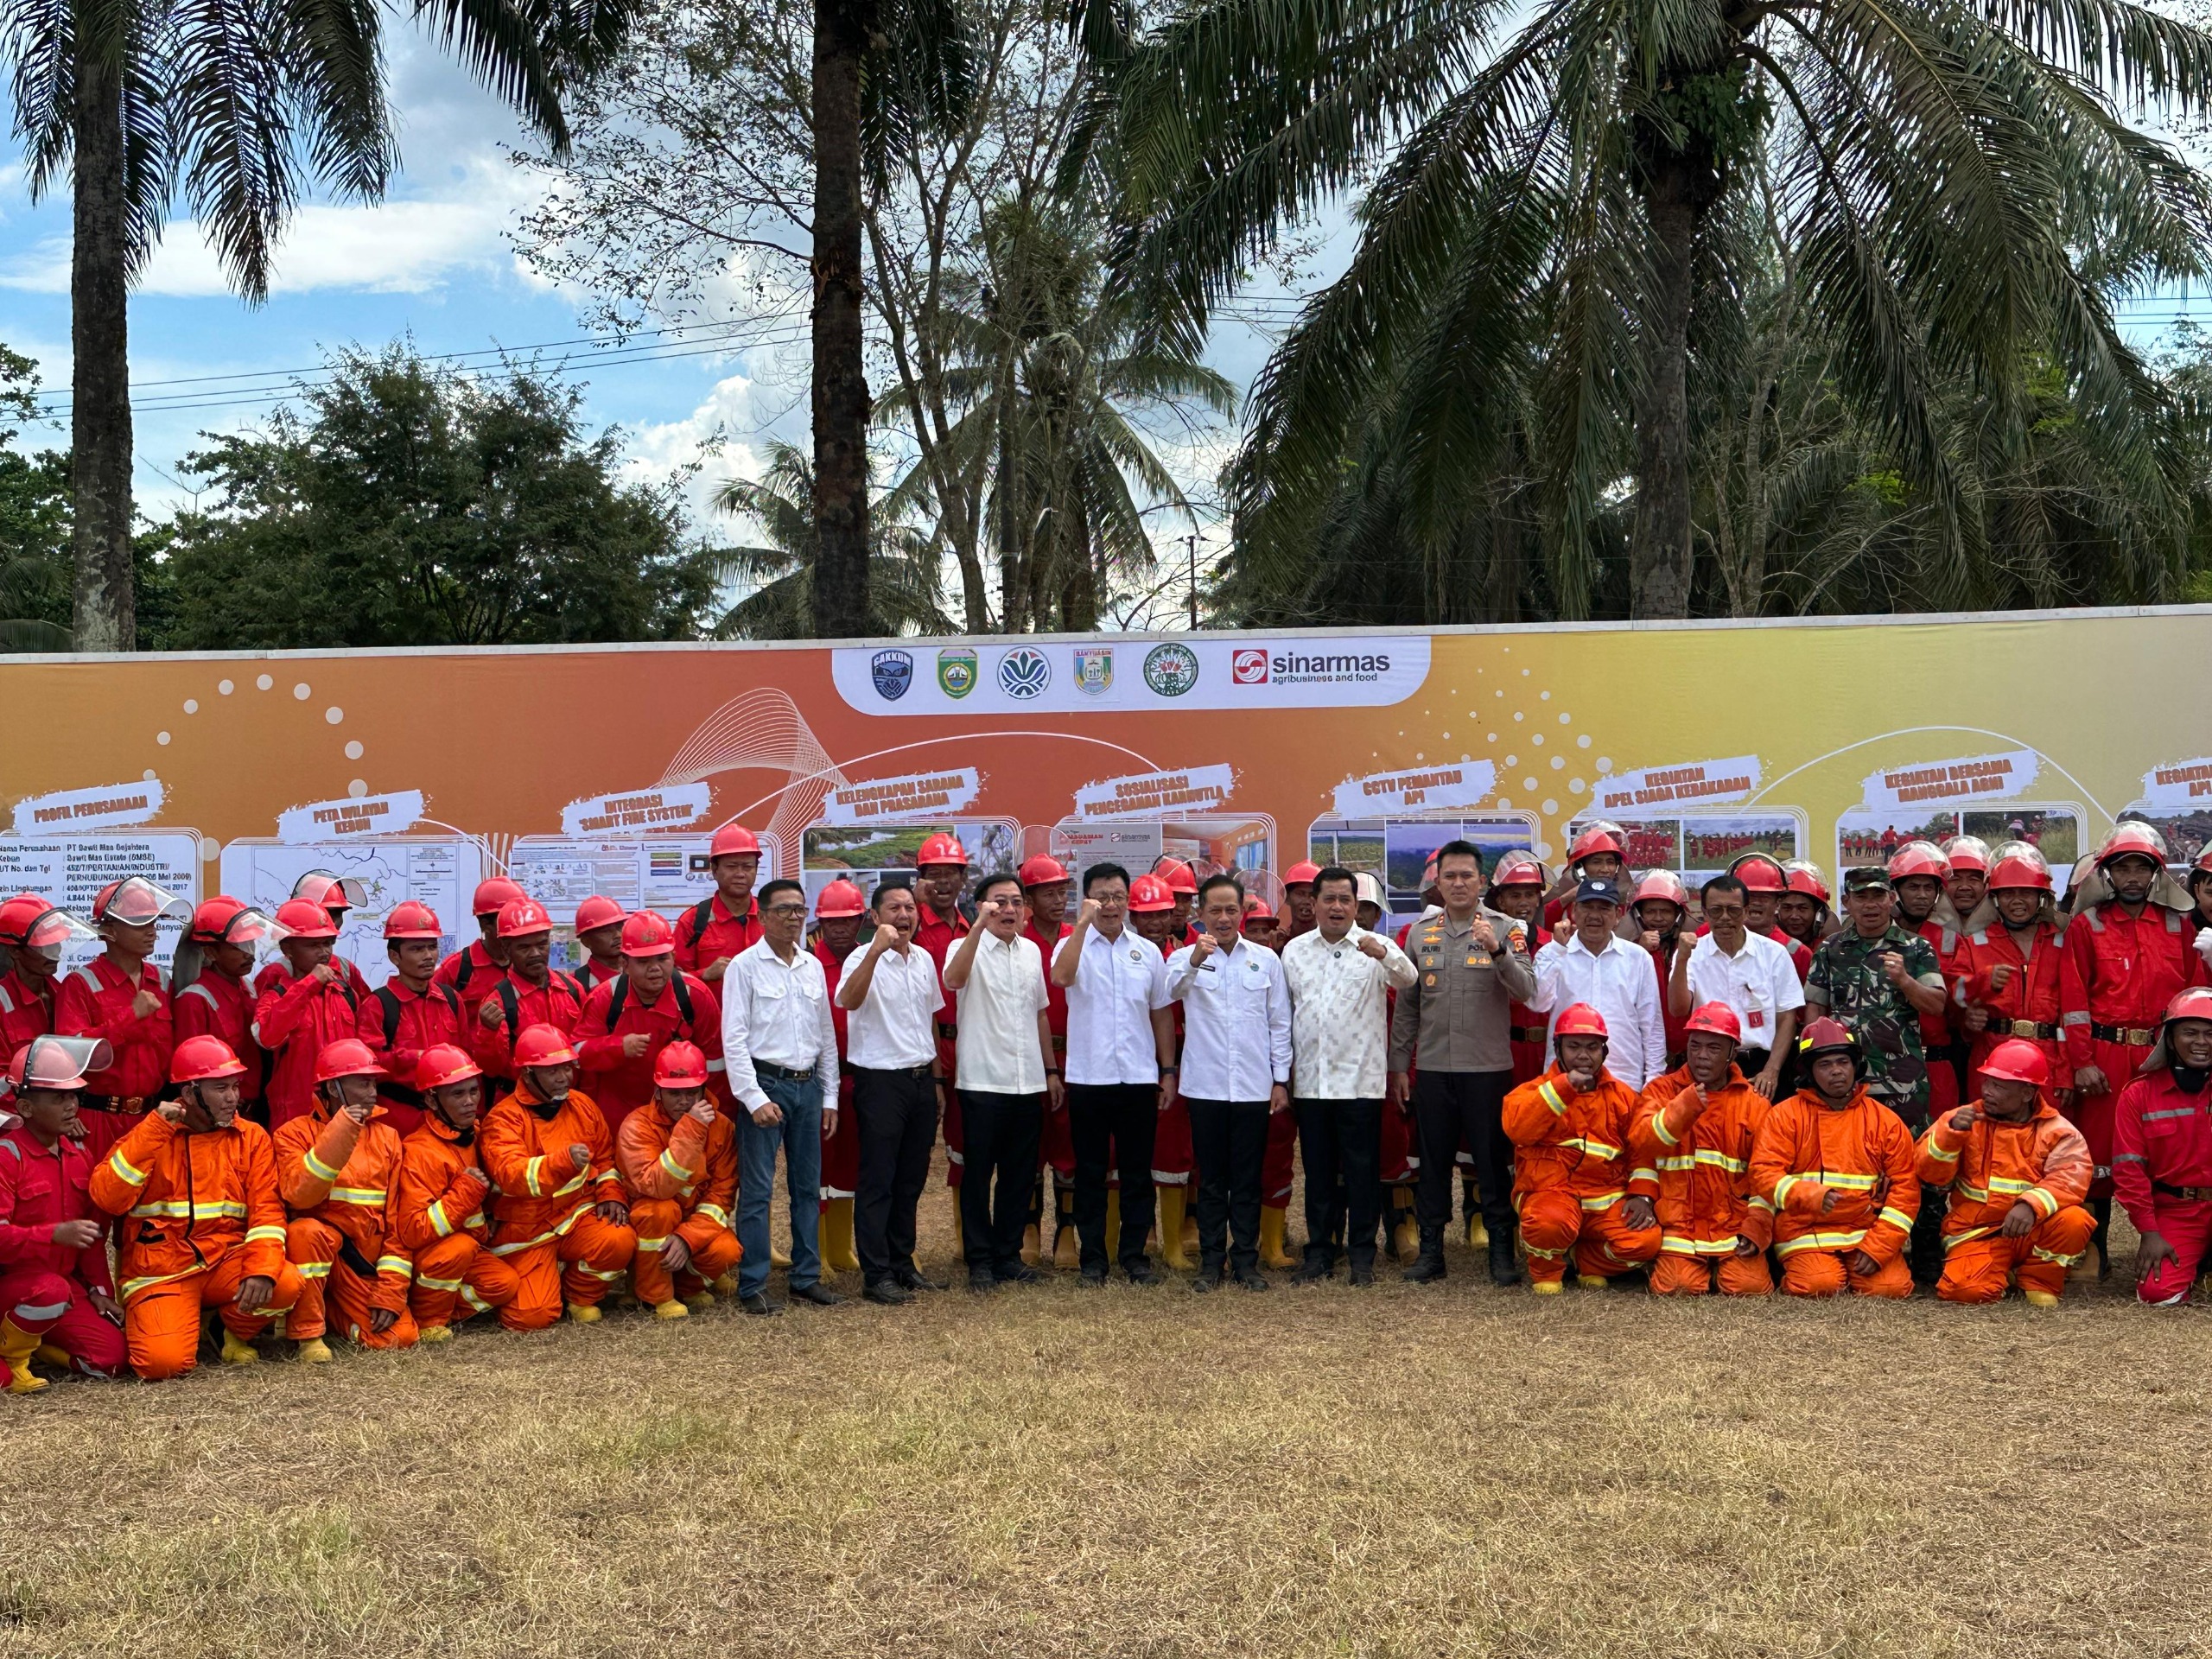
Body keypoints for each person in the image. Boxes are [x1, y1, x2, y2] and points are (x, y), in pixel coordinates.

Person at [88, 1035, 303, 1378]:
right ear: (189, 1093)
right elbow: (107, 1198)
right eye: (221, 1088)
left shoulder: (252, 1137)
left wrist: (261, 1270)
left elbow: (267, 1213)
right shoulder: (151, 1134)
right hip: (162, 1269)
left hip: (225, 1260)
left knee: (286, 1282)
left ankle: (224, 1327)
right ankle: (188, 1321)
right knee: (161, 1364)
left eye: (235, 1086)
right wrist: (155, 1129)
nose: (233, 1097)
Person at [1389, 840, 1539, 1284]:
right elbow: (1408, 1007)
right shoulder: (1420, 933)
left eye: (1466, 876)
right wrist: (1399, 1065)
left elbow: (1527, 990)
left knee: (1491, 1162)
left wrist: (1497, 951)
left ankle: (1500, 1254)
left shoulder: (1506, 929)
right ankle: (1431, 1253)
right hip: (1434, 1068)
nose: (1458, 883)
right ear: (1437, 882)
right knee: (1432, 1162)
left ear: (1482, 882)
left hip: (1487, 1069)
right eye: (1449, 876)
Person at [2062, 821, 2205, 1276]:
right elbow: (2074, 1001)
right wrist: (2082, 1063)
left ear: (2156, 874)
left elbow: (2195, 996)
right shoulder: (2087, 925)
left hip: (2163, 1055)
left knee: (2172, 1150)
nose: (2132, 877)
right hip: (2106, 1055)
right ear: (2107, 874)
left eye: (2141, 868)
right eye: (2122, 868)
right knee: (2097, 1156)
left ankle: (2180, 1245)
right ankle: (2092, 1252)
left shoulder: (2179, 925)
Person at [1804, 864, 1948, 1281]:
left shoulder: (1916, 948)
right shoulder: (1830, 950)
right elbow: (1815, 1011)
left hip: (1903, 1079)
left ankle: (1926, 1250)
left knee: (1917, 1164)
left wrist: (1904, 980)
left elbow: (1937, 1005)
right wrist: (1814, 1061)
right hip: (1845, 1080)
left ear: (1891, 900)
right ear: (1846, 903)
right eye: (1861, 897)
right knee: (1849, 1162)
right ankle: (1856, 1243)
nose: (1870, 905)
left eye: (1878, 896)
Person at [1282, 866, 1415, 1285]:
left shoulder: (1375, 945)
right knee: (1318, 1174)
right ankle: (1320, 1252)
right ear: (1314, 904)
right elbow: (1285, 1013)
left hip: (1361, 1082)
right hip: (1312, 1081)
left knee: (1362, 1173)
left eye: (1345, 900)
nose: (1336, 907)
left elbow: (1409, 978)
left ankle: (1362, 1255)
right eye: (1329, 899)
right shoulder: (1295, 951)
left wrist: (1383, 954)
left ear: (1357, 906)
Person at [719, 879, 841, 1313]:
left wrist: (830, 1097)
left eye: (799, 909)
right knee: (757, 1193)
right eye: (784, 909)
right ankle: (752, 1284)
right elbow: (733, 1040)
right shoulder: (744, 967)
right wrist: (753, 1099)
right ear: (763, 916)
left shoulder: (811, 966)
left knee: (807, 1188)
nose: (793, 917)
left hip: (809, 1088)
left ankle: (805, 1277)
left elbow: (825, 1036)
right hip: (766, 1086)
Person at [1053, 862, 1176, 1285]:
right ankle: (1093, 1258)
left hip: (1138, 1078)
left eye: (1118, 897)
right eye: (1101, 897)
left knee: (1137, 1173)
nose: (1110, 905)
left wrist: (1167, 1070)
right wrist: (1082, 925)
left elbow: (1160, 1014)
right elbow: (1061, 977)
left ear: (1128, 901)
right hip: (1089, 1077)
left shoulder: (1146, 951)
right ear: (1087, 899)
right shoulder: (1070, 945)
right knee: (1090, 1172)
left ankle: (1134, 1256)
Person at [1169, 874, 1291, 1289]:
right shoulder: (1183, 957)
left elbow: (1279, 1023)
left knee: (1247, 1178)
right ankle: (1210, 1262)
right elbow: (1169, 991)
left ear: (1243, 913)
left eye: (1231, 910)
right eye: (1215, 910)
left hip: (1254, 1087)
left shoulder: (1265, 959)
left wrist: (1280, 1080)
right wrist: (1194, 959)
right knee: (1210, 1180)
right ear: (1200, 913)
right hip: (1205, 1086)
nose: (1223, 918)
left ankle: (1245, 1262)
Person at [477, 1024, 637, 1329]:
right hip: (527, 1231)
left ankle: (578, 1296)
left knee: (619, 1239)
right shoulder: (503, 1118)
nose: (564, 1076)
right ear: (527, 1074)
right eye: (553, 1070)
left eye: (567, 1067)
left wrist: (611, 1195)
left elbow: (605, 1159)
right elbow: (512, 1175)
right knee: (531, 1316)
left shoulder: (583, 1105)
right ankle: (543, 1285)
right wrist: (564, 1161)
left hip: (576, 1216)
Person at [943, 872, 1059, 1291]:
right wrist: (977, 928)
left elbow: (1040, 1013)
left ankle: (1008, 1255)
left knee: (1019, 1174)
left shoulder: (1031, 951)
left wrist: (1050, 1071)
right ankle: (979, 1259)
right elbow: (953, 981)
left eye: (1015, 902)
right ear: (981, 907)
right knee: (978, 1175)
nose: (1009, 909)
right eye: (999, 902)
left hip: (1027, 1082)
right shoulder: (963, 946)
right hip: (982, 1082)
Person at [1749, 1018, 1919, 1299]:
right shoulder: (1784, 1116)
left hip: (1865, 1231)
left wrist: (1879, 1247)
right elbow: (1763, 1175)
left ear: (1855, 1065)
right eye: (1825, 1065)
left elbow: (1906, 1191)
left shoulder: (1885, 1121)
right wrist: (1808, 1195)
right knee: (1820, 1286)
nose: (1836, 1071)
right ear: (1809, 1072)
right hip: (1803, 1230)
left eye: (1843, 1062)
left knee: (1890, 1289)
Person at [836, 878, 948, 1306]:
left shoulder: (923, 959)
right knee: (878, 1180)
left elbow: (931, 1019)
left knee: (911, 1179)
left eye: (909, 908)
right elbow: (848, 1001)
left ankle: (903, 1263)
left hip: (921, 1081)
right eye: (894, 909)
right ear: (874, 916)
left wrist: (937, 1081)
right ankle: (876, 1273)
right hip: (881, 1082)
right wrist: (875, 952)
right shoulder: (859, 958)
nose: (904, 916)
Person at [1915, 1039, 2094, 1306]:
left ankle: (2039, 1282)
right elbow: (1929, 1174)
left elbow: (2071, 1180)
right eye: (1987, 1081)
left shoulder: (2059, 1131)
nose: (1987, 1091)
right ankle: (2001, 1272)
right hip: (1977, 1233)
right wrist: (1950, 1136)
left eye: (1998, 1085)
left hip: (2031, 1228)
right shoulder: (1959, 1119)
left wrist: (2031, 1205)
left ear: (2027, 1093)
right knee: (1965, 1292)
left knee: (2075, 1220)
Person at [273, 1038, 417, 1359]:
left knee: (399, 1337)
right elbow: (300, 1195)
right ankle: (309, 1334)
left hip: (359, 1264)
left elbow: (398, 1222)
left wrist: (390, 1291)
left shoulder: (389, 1138)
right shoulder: (292, 1134)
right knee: (305, 1232)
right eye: (363, 1083)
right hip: (318, 1252)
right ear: (332, 1087)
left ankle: (330, 1312)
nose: (372, 1091)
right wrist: (343, 1129)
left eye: (374, 1082)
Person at [1502, 1004, 1661, 1293]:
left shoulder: (1624, 1098)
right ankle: (1547, 1272)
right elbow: (1518, 1129)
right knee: (1549, 1223)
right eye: (1573, 1046)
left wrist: (1642, 1196)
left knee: (1645, 1242)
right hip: (1551, 1194)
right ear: (1558, 1049)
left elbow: (1642, 1152)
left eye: (1592, 1047)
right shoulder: (1534, 1091)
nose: (1583, 1055)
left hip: (1605, 1201)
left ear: (1605, 1051)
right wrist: (1565, 1087)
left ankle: (1585, 1260)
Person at [0, 1037, 127, 1390]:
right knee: (49, 1292)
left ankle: (34, 1346)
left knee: (111, 1360)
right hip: (15, 1287)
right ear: (25, 1108)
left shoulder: (78, 1155)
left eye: (74, 1095)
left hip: (57, 1289)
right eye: (58, 1097)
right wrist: (54, 1234)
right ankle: (13, 1359)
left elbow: (91, 1239)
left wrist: (99, 1291)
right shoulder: (6, 1155)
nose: (72, 1105)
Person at [1632, 1003, 1774, 1296]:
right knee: (1676, 1287)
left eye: (1713, 1048)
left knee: (1749, 1288)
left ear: (1733, 1052)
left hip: (1733, 1225)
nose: (1701, 1055)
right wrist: (1683, 1108)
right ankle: (1685, 1267)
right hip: (1679, 1224)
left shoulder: (1755, 1104)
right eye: (1695, 1046)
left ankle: (1720, 1269)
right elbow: (1643, 1142)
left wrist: (1757, 1225)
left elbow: (1767, 1175)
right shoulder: (1661, 1091)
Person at [391, 1043, 518, 1340]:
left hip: (470, 1249)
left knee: (505, 1284)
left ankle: (439, 1308)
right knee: (458, 1248)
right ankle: (429, 1319)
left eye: (474, 1091)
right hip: (435, 1253)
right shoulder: (419, 1151)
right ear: (432, 1100)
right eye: (457, 1094)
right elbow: (413, 1231)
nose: (470, 1101)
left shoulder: (477, 1134)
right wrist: (466, 1191)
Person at [56, 875, 179, 1163]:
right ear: (109, 932)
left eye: (153, 922)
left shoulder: (161, 981)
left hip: (151, 1117)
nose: (152, 932)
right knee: (99, 1190)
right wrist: (130, 1017)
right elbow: (68, 1056)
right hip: (98, 1119)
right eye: (140, 924)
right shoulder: (80, 983)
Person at [616, 1040, 742, 1319]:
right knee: (658, 1210)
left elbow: (720, 1198)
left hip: (691, 1223)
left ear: (703, 1090)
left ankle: (687, 1286)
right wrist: (692, 1128)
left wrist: (687, 1238)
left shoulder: (722, 1127)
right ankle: (655, 1294)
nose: (684, 1101)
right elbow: (657, 1186)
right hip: (651, 1221)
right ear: (658, 1091)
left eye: (691, 1092)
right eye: (674, 1093)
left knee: (727, 1251)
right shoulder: (637, 1125)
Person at [572, 910, 726, 1136]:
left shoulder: (695, 995)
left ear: (673, 957)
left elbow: (716, 1064)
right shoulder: (605, 998)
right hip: (620, 1111)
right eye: (643, 961)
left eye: (662, 959)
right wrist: (618, 1047)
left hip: (681, 1111)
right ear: (625, 963)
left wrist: (715, 1120)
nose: (654, 968)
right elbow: (577, 1052)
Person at [2111, 987, 2212, 1305]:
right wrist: (2149, 1233)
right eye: (2190, 1032)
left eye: (2210, 1034)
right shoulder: (2138, 1095)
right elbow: (2129, 1170)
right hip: (2178, 1211)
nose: (2201, 1042)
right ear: (2169, 1039)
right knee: (2159, 1295)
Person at [1949, 843, 2069, 1096]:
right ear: (1995, 899)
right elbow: (1954, 996)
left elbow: (2074, 1014)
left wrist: (2066, 1074)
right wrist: (1981, 985)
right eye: (2007, 893)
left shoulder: (2064, 943)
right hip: (1991, 1059)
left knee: (2048, 1123)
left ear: (2041, 897)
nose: (2016, 901)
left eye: (2026, 893)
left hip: (2050, 1063)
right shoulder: (1974, 944)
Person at [1670, 874, 1803, 1097]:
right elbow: (1678, 1009)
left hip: (1762, 1065)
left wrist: (1771, 1070)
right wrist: (1682, 959)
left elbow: (1787, 1018)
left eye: (1733, 910)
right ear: (1704, 913)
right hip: (1710, 1065)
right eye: (1716, 911)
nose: (1725, 918)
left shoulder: (1774, 953)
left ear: (1745, 911)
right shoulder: (1692, 954)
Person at [1530, 877, 1667, 1090]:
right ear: (1574, 912)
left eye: (1604, 908)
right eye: (1587, 907)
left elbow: (1652, 1025)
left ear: (1618, 915)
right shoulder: (1552, 952)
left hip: (1624, 1078)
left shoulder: (1638, 957)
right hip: (1564, 1078)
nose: (1594, 915)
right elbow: (1537, 1004)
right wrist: (1557, 950)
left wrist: (1654, 1079)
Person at [1128, 873, 1197, 1267]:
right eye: (1146, 915)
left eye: (1162, 914)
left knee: (1174, 1152)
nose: (1155, 922)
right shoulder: (1125, 953)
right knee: (1126, 1153)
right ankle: (1139, 1237)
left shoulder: (1189, 954)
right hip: (1134, 1063)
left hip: (1179, 1063)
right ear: (1133, 917)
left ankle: (1173, 1243)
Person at [252, 897, 362, 1130]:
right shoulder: (276, 996)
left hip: (344, 1116)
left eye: (328, 943)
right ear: (287, 949)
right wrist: (310, 984)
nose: (324, 952)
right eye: (313, 945)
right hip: (295, 1122)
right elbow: (266, 1037)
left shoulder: (346, 993)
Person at [911, 835, 973, 1249]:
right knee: (913, 1150)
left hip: (967, 1046)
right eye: (934, 874)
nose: (944, 882)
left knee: (965, 1142)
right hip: (921, 1047)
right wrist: (915, 909)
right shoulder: (909, 924)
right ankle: (904, 1245)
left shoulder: (973, 926)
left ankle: (966, 1238)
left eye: (952, 873)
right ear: (921, 880)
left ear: (964, 878)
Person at [357, 900, 464, 1136]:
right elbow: (367, 1067)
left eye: (432, 947)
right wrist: (413, 1058)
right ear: (394, 956)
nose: (428, 956)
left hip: (448, 1117)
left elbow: (466, 1054)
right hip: (399, 1122)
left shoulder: (451, 999)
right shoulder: (377, 1005)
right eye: (416, 949)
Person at [1020, 855, 1080, 1271]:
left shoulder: (1077, 938)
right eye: (1048, 893)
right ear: (1029, 899)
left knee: (1068, 1146)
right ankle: (1029, 1227)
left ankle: (1067, 1230)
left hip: (1073, 1056)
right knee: (1028, 1144)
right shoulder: (1016, 941)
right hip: (1026, 1055)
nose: (1058, 901)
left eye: (1062, 892)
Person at [810, 879, 868, 1275]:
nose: (840, 928)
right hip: (819, 1080)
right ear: (820, 923)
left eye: (848, 919)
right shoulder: (807, 964)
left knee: (851, 1163)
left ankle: (840, 1247)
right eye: (832, 921)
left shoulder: (871, 958)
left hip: (862, 1077)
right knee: (818, 1166)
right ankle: (815, 1250)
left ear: (862, 920)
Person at [172, 898, 273, 1121]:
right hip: (214, 1116)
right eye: (239, 946)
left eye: (251, 943)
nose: (249, 954)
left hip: (252, 1112)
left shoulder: (249, 989)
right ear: (211, 953)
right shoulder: (193, 1000)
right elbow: (189, 1071)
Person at [1888, 841, 1967, 1122]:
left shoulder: (1951, 940)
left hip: (1937, 1063)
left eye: (1928, 888)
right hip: (1885, 1066)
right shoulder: (1873, 936)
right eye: (1913, 887)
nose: (1922, 895)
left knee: (1940, 1140)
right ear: (1895, 891)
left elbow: (1959, 1007)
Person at [472, 897, 588, 1084]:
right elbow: (491, 1069)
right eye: (524, 947)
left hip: (570, 1095)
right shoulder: (498, 1002)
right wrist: (488, 1032)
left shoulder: (572, 989)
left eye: (541, 945)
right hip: (521, 1099)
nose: (535, 954)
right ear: (506, 949)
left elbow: (586, 1051)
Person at [0, 899, 86, 1075]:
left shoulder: (65, 992)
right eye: (43, 946)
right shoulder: (3, 1004)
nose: (55, 953)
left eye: (56, 943)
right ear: (14, 951)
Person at [674, 825, 765, 982]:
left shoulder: (770, 917)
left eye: (748, 867)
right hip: (712, 1000)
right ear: (715, 870)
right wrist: (704, 975)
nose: (740, 874)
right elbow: (674, 980)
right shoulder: (692, 921)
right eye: (731, 866)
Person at [433, 876, 528, 1021]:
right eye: (508, 921)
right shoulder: (456, 969)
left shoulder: (528, 964)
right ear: (485, 924)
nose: (516, 928)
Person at [1630, 869, 1691, 1071]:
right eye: (1650, 912)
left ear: (1677, 914)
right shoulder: (1626, 951)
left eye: (1665, 911)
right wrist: (1639, 950)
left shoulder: (1693, 949)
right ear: (1640, 915)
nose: (1658, 918)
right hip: (1644, 1059)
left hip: (1687, 1060)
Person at [1729, 855, 1815, 981]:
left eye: (1764, 897)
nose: (1756, 903)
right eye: (1750, 896)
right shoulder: (1710, 937)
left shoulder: (1798, 953)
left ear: (1778, 903)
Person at [572, 895, 627, 994]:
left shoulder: (642, 976)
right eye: (606, 931)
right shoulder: (574, 987)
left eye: (620, 927)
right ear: (586, 941)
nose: (618, 935)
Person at [1776, 862, 1834, 957]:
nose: (1794, 916)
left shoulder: (1835, 950)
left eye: (1802, 908)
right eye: (1787, 908)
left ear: (1818, 914)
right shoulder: (1765, 945)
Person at [1154, 857, 1202, 943]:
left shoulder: (1198, 941)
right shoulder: (1143, 943)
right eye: (1174, 898)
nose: (1180, 908)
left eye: (1186, 899)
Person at [1280, 861, 1322, 942]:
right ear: (1287, 898)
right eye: (1300, 894)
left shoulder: (1332, 940)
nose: (1307, 901)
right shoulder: (1278, 941)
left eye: (1312, 894)